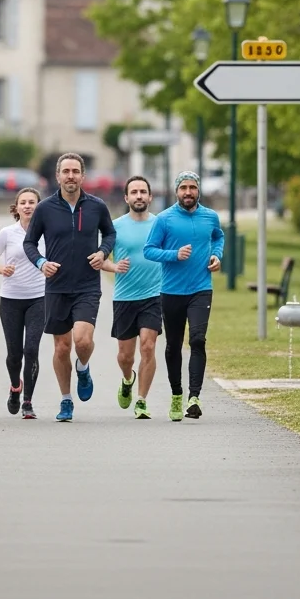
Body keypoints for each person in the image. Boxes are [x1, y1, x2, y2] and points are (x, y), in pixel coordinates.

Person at [23, 152, 116, 423]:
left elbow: (109, 233)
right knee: (62, 347)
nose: (71, 176)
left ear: (83, 176)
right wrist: (41, 263)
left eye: (76, 171)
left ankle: (83, 367)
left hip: (87, 285)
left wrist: (103, 252)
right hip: (56, 286)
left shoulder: (97, 206)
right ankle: (66, 400)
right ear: (58, 176)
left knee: (82, 341)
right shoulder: (45, 208)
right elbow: (29, 243)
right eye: (66, 171)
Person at [143, 171, 223, 421]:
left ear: (198, 190)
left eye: (192, 187)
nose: (188, 192)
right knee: (174, 345)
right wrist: (174, 255)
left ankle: (194, 397)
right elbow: (149, 250)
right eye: (183, 188)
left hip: (201, 288)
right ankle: (177, 393)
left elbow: (218, 236)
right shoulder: (164, 219)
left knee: (198, 340)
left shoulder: (210, 217)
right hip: (171, 291)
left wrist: (217, 255)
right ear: (176, 191)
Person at [0, 188, 45, 420]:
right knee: (14, 354)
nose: (28, 206)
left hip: (39, 298)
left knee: (31, 349)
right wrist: (3, 269)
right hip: (11, 299)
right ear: (17, 207)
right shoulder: (7, 233)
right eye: (24, 202)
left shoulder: (47, 233)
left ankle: (28, 401)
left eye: (32, 202)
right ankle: (15, 387)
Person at [110, 176, 161, 420]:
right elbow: (99, 259)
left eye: (143, 192)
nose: (139, 196)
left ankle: (141, 401)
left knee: (148, 347)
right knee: (125, 356)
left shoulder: (161, 224)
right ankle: (128, 379)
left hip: (154, 294)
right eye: (134, 192)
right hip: (124, 296)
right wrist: (114, 267)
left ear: (150, 197)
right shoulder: (115, 226)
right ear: (126, 198)